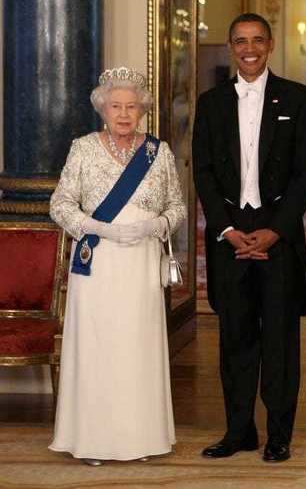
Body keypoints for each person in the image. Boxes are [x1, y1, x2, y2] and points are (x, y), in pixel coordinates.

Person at [192, 13, 306, 463]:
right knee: (235, 338)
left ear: (270, 44)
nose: (250, 48)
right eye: (241, 41)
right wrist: (226, 230)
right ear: (230, 46)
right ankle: (239, 430)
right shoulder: (210, 103)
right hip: (229, 237)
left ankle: (279, 435)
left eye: (258, 40)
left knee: (281, 340)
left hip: (278, 238)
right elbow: (202, 171)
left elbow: (305, 173)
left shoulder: (298, 99)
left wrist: (275, 230)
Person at [49, 67, 186, 465]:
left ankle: (141, 439)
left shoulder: (157, 153)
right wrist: (94, 227)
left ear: (142, 110)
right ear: (102, 109)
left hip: (140, 260)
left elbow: (177, 206)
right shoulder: (83, 147)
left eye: (131, 106)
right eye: (115, 106)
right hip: (99, 262)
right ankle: (93, 441)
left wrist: (156, 224)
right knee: (99, 347)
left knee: (136, 347)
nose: (124, 113)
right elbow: (60, 204)